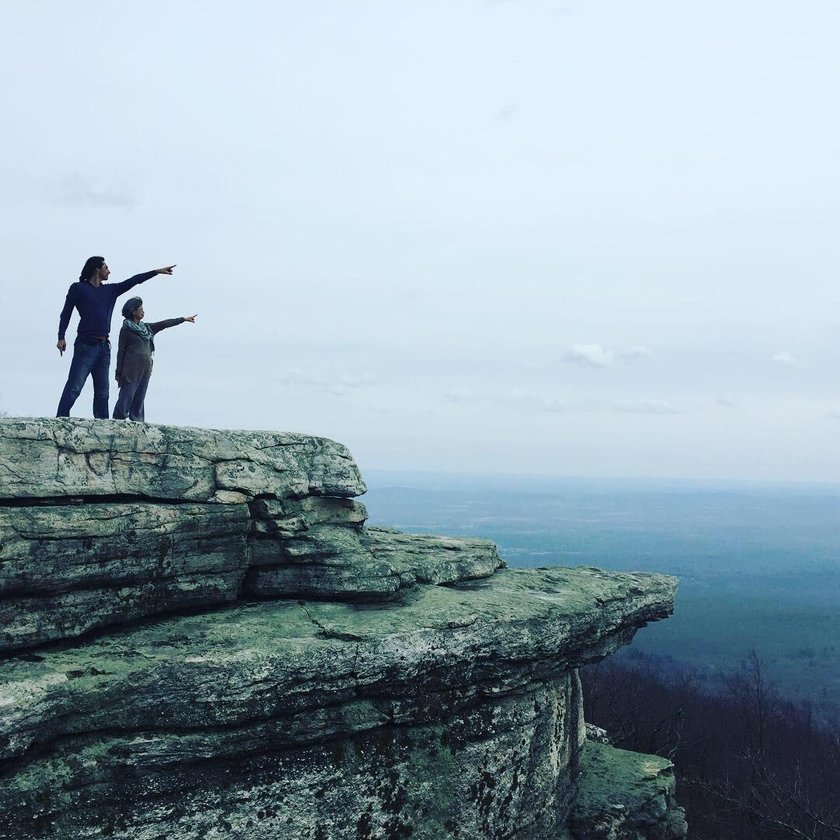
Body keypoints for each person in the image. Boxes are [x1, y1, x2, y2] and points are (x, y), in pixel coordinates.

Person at [56, 257, 176, 418]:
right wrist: (61, 336)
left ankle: (103, 426)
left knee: (103, 392)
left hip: (104, 347)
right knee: (75, 386)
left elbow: (133, 281)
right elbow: (66, 313)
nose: (109, 271)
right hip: (86, 345)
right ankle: (61, 418)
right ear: (97, 269)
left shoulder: (110, 291)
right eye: (106, 267)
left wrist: (156, 272)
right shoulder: (78, 288)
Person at [113, 297, 197, 422]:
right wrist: (119, 371)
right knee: (128, 393)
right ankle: (119, 417)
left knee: (140, 395)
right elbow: (121, 351)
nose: (143, 311)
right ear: (133, 311)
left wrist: (183, 319)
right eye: (140, 309)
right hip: (131, 368)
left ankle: (137, 420)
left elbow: (164, 324)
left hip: (146, 368)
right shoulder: (126, 329)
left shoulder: (147, 328)